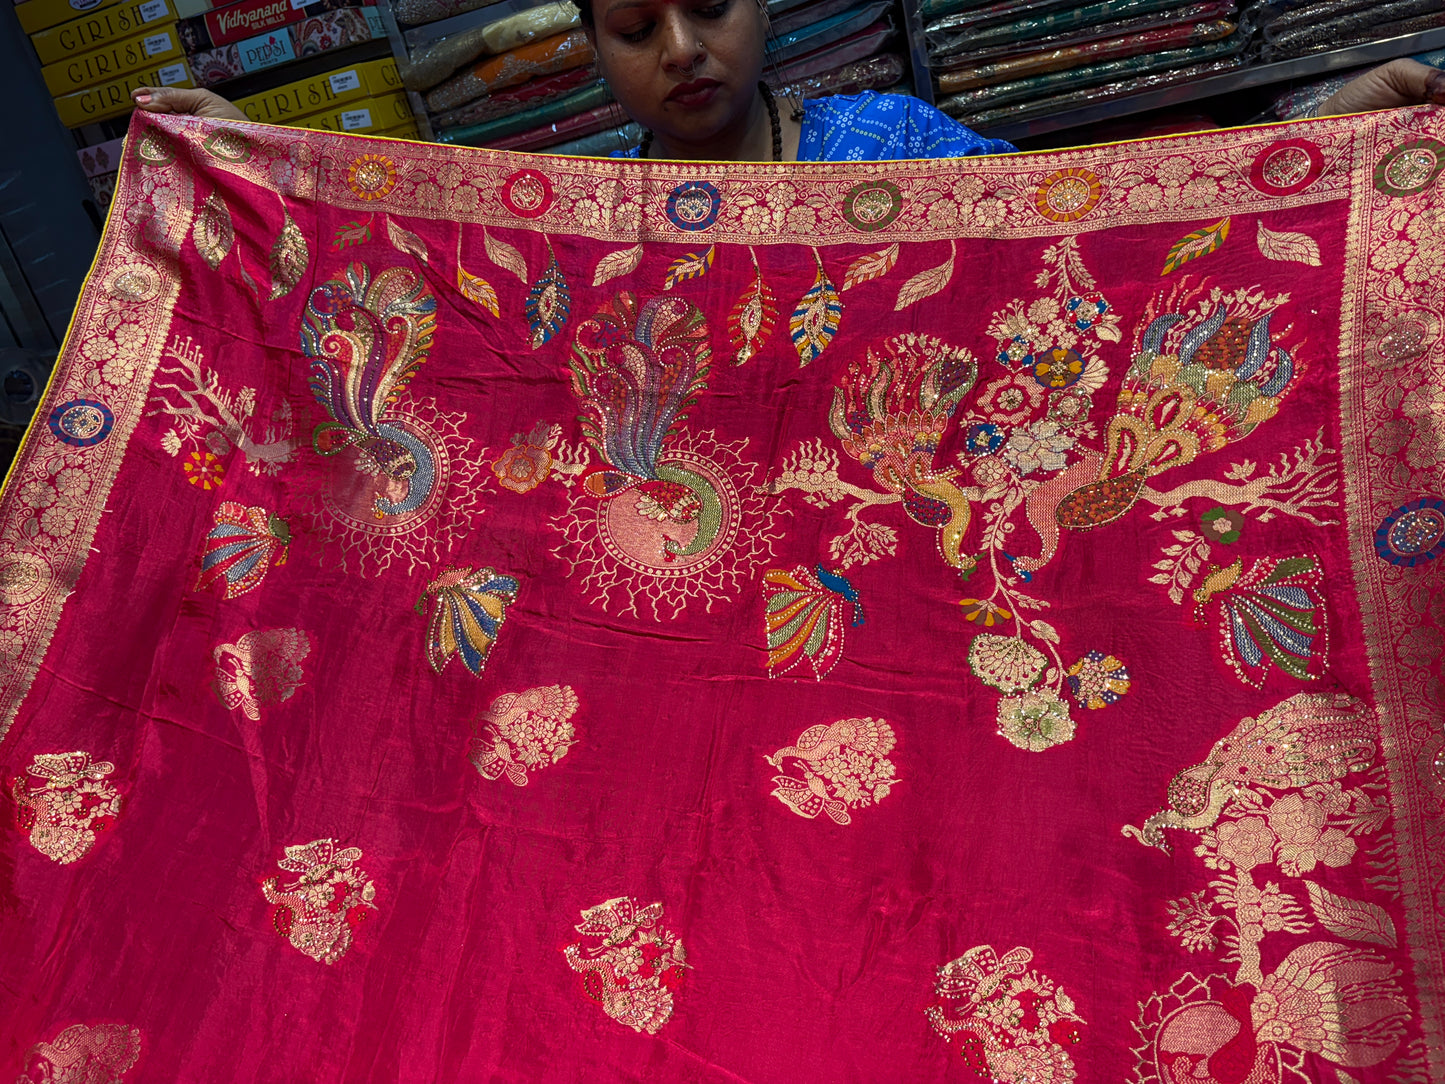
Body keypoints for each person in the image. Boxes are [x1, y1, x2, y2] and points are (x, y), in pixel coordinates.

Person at [133, 0, 1445, 162]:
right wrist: (241, 155)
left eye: (710, 7)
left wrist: (1325, 129)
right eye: (635, 26)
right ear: (590, 54)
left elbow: (1095, 224)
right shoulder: (591, 229)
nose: (683, 51)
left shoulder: (881, 136)